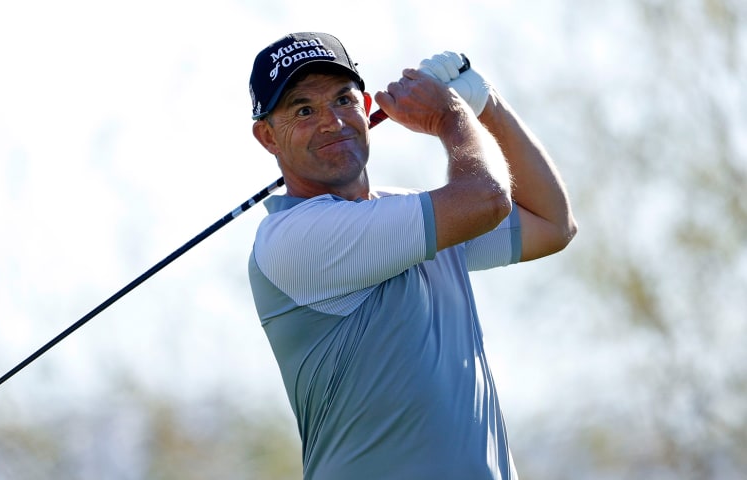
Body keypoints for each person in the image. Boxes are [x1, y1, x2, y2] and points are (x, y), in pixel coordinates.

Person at [246, 31, 577, 479]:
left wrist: (486, 106)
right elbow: (485, 199)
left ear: (366, 110)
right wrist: (451, 118)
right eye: (303, 110)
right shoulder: (293, 239)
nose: (331, 122)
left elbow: (552, 223)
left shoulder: (415, 219)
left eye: (343, 101)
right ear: (267, 136)